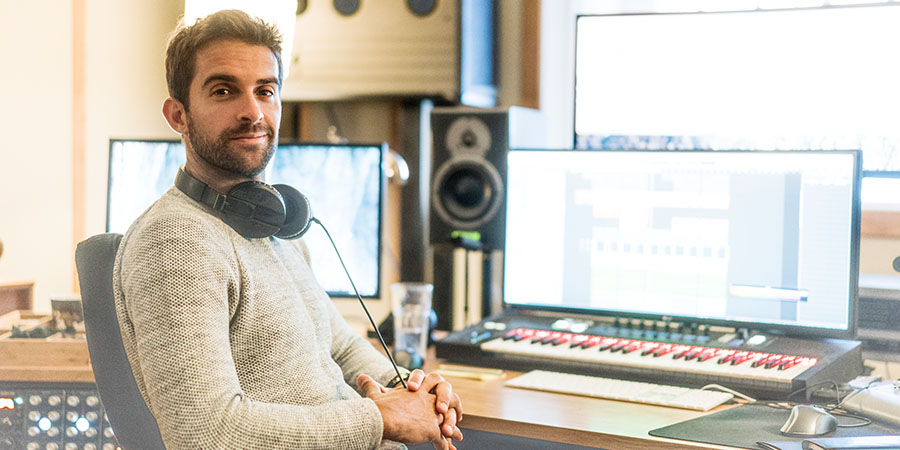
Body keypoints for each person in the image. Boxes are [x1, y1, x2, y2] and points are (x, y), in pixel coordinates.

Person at [113, 9, 462, 450]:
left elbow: (337, 345)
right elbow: (205, 433)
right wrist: (380, 418)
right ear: (178, 115)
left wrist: (412, 389)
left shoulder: (273, 226)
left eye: (266, 90)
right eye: (224, 91)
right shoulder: (174, 241)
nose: (253, 112)